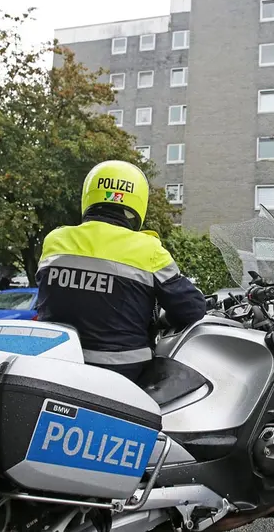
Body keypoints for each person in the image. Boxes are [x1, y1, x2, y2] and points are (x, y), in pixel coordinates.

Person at [35, 160, 206, 381]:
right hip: (123, 374)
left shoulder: (55, 241)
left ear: (89, 196)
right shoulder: (148, 249)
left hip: (58, 366)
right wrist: (163, 320)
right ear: (138, 201)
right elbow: (192, 308)